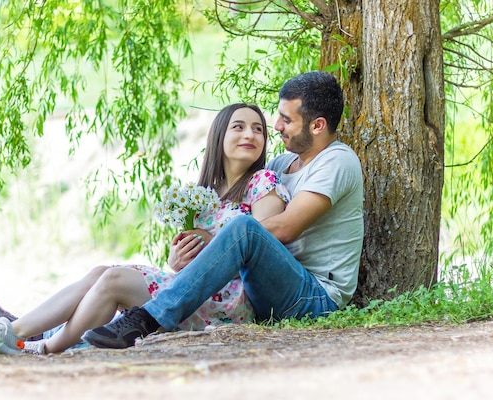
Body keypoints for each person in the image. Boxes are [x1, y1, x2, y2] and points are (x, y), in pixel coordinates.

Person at [0, 103, 290, 355]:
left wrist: (209, 240)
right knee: (102, 271)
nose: (250, 135)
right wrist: (177, 260)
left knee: (114, 279)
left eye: (258, 129)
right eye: (239, 127)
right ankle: (25, 332)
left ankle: (29, 343)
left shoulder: (263, 182)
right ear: (219, 135)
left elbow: (260, 242)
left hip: (231, 302)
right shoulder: (205, 192)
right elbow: (197, 259)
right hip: (190, 289)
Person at [83, 71, 364, 349]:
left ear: (317, 126)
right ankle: (52, 334)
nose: (276, 126)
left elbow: (285, 228)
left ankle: (148, 318)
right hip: (268, 288)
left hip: (315, 298)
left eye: (287, 119)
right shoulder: (281, 164)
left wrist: (219, 240)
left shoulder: (337, 161)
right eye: (278, 116)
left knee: (243, 228)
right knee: (239, 229)